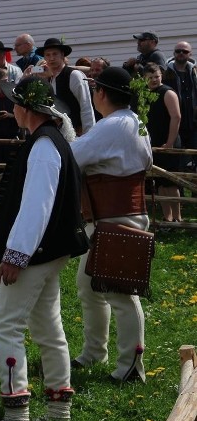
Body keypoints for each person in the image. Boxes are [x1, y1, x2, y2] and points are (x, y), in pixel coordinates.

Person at [0, 76, 89, 421]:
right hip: (49, 251)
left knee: (5, 325)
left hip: (36, 252)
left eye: (15, 103)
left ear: (26, 109)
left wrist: (16, 255)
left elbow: (37, 206)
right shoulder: (51, 141)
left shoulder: (44, 146)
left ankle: (16, 416)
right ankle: (59, 411)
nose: (12, 108)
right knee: (47, 327)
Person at [70, 66, 153, 383]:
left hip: (114, 217)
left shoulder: (114, 125)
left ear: (101, 93)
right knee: (89, 286)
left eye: (94, 89)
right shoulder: (133, 122)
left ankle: (132, 367)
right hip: (113, 216)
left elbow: (72, 156)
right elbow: (148, 161)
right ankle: (94, 353)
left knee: (119, 292)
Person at [32, 38, 96, 136]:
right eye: (48, 55)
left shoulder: (74, 75)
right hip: (56, 134)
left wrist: (89, 135)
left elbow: (86, 107)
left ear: (62, 55)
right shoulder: (47, 78)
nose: (51, 58)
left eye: (55, 54)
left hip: (77, 133)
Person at [144, 63, 182, 223]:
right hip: (154, 143)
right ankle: (167, 217)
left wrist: (170, 142)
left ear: (162, 76)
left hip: (168, 142)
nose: (154, 80)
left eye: (157, 76)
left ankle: (178, 218)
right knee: (159, 183)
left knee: (170, 183)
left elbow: (176, 117)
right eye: (150, 77)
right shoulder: (145, 94)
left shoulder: (167, 92)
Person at [164, 42, 197, 169]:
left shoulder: (195, 72)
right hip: (174, 125)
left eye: (184, 51)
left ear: (190, 54)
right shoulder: (166, 73)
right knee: (176, 163)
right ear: (174, 53)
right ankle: (177, 189)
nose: (181, 54)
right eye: (178, 51)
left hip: (193, 125)